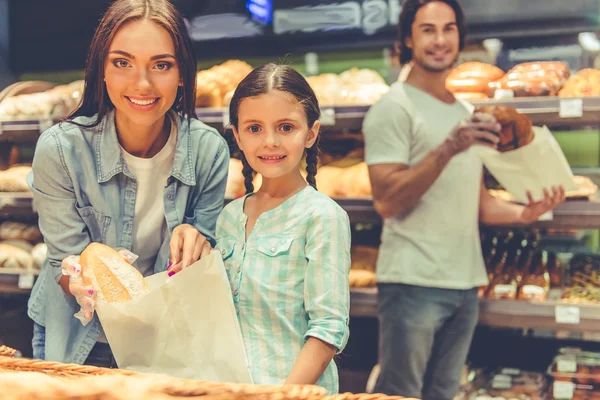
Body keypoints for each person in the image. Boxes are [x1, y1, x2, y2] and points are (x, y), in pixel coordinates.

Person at [362, 1, 565, 399]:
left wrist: (527, 213)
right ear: (408, 38)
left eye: (448, 28)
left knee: (443, 393)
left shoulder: (467, 111)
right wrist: (447, 148)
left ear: (459, 36)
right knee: (400, 393)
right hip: (412, 283)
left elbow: (481, 205)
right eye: (428, 29)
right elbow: (387, 201)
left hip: (465, 283)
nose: (440, 40)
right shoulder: (392, 108)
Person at [27, 0, 229, 367]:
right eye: (122, 63)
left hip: (166, 335)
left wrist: (201, 245)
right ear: (101, 69)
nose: (142, 83)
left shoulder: (208, 150)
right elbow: (63, 261)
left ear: (183, 73)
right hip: (78, 338)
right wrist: (79, 276)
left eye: (162, 65)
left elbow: (205, 257)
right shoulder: (60, 150)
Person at [215, 64, 350, 394]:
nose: (270, 141)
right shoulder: (229, 217)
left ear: (311, 133)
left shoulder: (322, 216)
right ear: (237, 136)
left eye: (286, 127)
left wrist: (283, 395)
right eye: (255, 128)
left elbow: (328, 329)